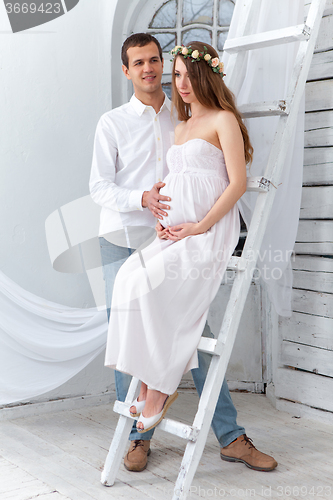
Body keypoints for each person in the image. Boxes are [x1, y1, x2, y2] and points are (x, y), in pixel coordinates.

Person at [90, 33, 277, 473]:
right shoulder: (114, 122)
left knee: (196, 330)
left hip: (185, 233)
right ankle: (139, 435)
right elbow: (99, 186)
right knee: (130, 305)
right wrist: (145, 201)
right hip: (128, 233)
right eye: (141, 63)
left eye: (158, 62)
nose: (152, 70)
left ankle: (228, 434)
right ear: (127, 70)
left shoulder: (183, 118)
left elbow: (225, 180)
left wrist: (192, 223)